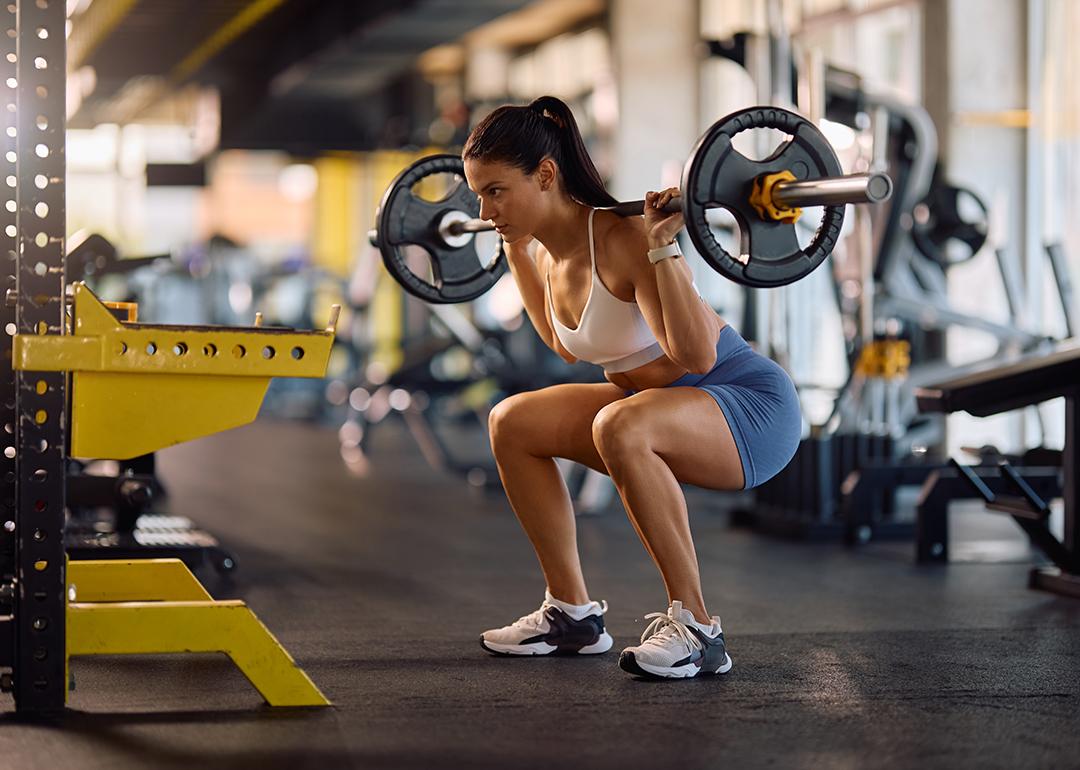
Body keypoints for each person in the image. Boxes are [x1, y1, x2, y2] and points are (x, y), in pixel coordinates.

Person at [464, 95, 801, 679]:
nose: (483, 207)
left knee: (619, 422)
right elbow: (564, 344)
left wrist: (664, 243)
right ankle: (571, 615)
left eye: (495, 191)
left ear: (545, 176)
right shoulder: (545, 254)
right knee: (512, 422)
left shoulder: (622, 239)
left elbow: (695, 354)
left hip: (747, 408)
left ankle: (698, 628)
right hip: (656, 407)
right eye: (479, 194)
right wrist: (516, 248)